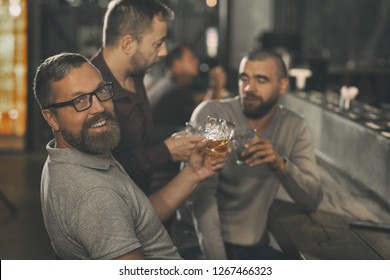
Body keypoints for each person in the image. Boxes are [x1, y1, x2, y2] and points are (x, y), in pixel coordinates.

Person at [33, 52, 229, 260]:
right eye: (80, 100)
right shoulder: (95, 195)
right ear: (51, 118)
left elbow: (137, 218)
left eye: (101, 91)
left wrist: (193, 173)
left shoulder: (69, 154)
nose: (99, 107)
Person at [172, 49, 323, 259]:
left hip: (254, 247)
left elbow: (311, 200)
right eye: (244, 79)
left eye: (261, 80)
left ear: (283, 85)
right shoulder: (216, 115)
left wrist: (281, 165)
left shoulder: (294, 125)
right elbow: (203, 198)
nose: (249, 88)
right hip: (198, 244)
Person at [90, 0, 201, 195]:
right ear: (128, 44)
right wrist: (164, 152)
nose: (164, 51)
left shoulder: (136, 72)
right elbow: (95, 174)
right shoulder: (89, 92)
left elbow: (135, 142)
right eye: (157, 43)